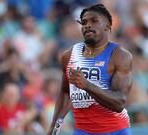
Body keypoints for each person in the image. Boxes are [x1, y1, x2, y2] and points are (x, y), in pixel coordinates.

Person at [47, 4, 132, 135]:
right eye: (84, 22)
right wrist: (54, 128)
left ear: (108, 26)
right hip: (82, 130)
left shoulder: (120, 56)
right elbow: (65, 92)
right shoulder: (68, 56)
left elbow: (119, 102)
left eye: (94, 21)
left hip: (115, 130)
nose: (87, 25)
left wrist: (86, 85)